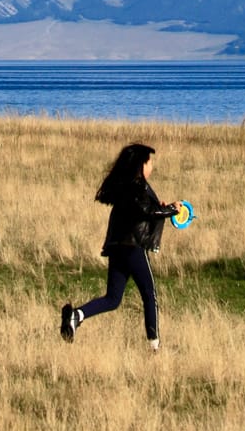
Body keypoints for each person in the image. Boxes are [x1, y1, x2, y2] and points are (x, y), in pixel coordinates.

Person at [60, 141, 183, 352]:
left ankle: (76, 316)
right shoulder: (138, 186)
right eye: (149, 162)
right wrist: (172, 209)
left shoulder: (126, 187)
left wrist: (160, 207)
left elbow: (144, 210)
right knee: (149, 294)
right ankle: (155, 347)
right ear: (141, 165)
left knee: (113, 298)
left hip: (116, 247)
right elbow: (148, 212)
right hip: (133, 247)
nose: (152, 166)